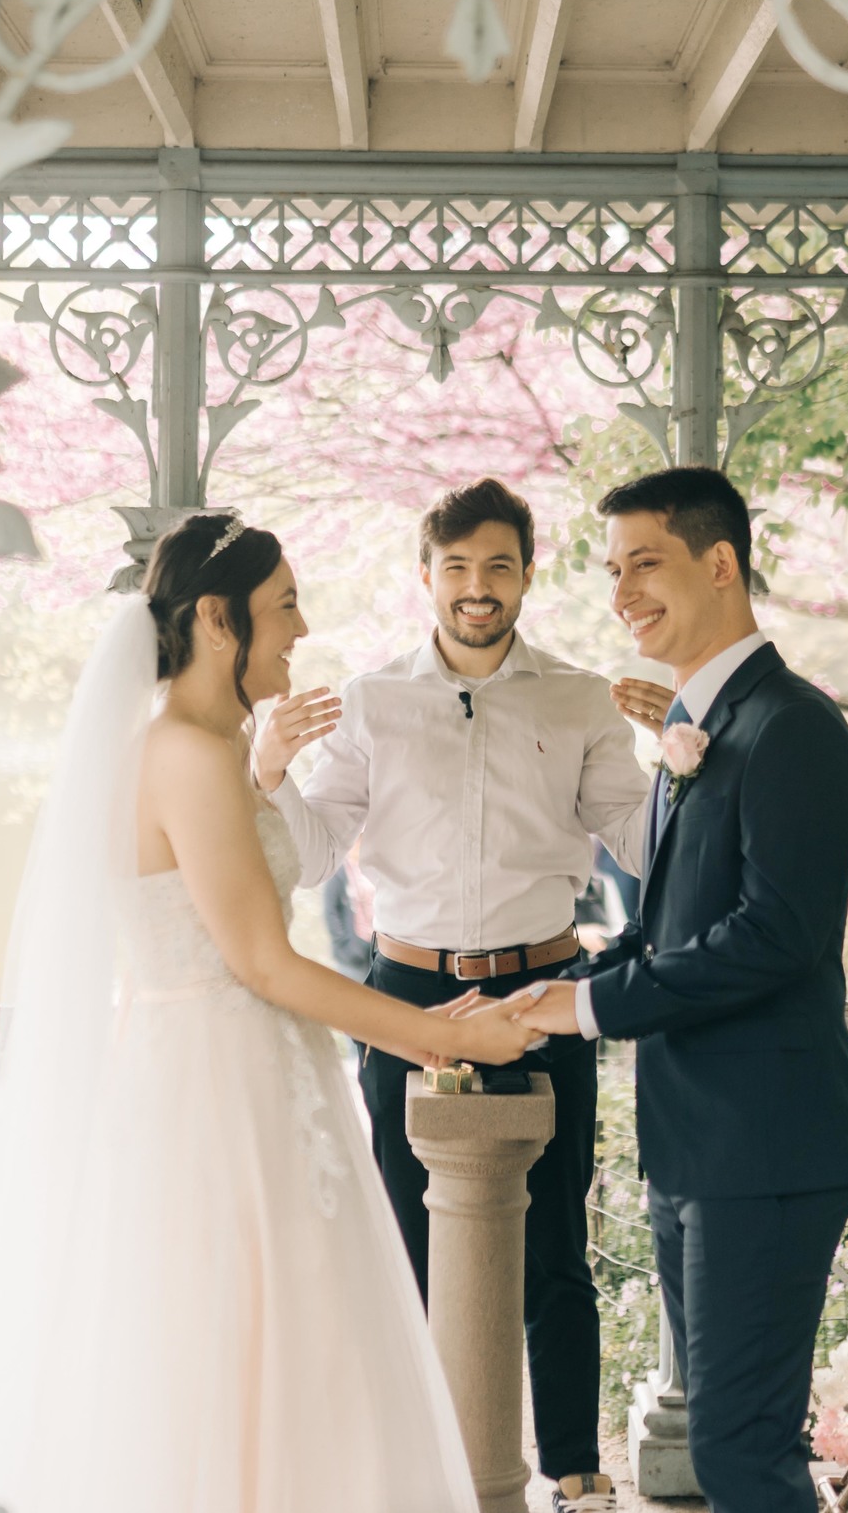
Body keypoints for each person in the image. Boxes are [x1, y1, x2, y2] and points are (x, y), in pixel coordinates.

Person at [0, 511, 531, 1513]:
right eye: (285, 604)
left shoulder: (211, 741)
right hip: (222, 1095)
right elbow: (261, 960)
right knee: (258, 1351)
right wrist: (449, 1034)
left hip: (240, 1073)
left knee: (295, 1351)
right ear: (219, 621)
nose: (302, 627)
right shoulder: (184, 749)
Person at [255, 477, 668, 1513]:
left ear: (526, 573)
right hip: (408, 998)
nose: (476, 587)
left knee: (557, 1237)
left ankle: (574, 1465)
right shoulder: (370, 702)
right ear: (426, 574)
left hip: (541, 991)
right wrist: (270, 769)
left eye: (497, 565)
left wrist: (693, 761)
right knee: (408, 1235)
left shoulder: (577, 697)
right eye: (457, 566)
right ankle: (426, 1466)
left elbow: (644, 844)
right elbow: (309, 860)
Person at [513, 467, 848, 1513]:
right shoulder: (703, 729)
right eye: (612, 569)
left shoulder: (792, 727)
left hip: (766, 1146)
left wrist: (583, 1009)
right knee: (733, 1446)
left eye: (646, 562)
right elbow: (667, 933)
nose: (622, 590)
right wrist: (547, 988)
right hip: (702, 1145)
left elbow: (774, 937)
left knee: (738, 1448)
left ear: (720, 563)